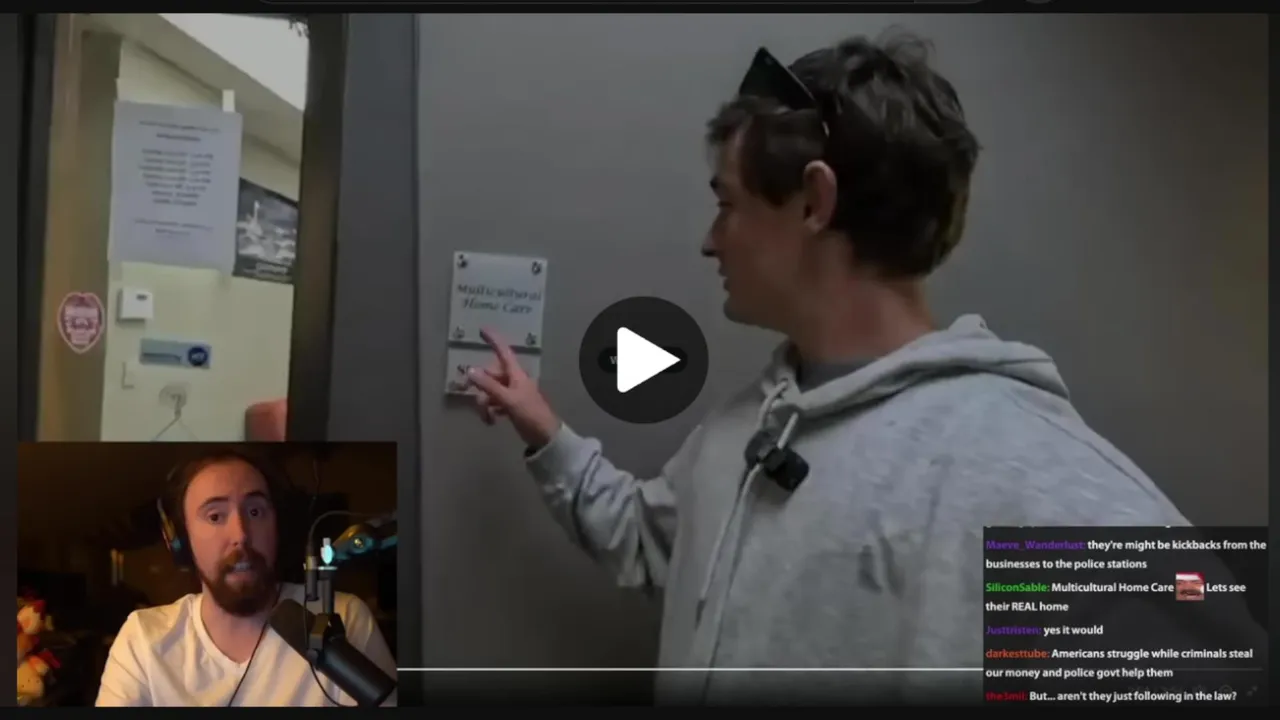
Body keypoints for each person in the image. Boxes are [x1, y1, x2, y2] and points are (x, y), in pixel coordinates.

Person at [465, 31, 1200, 704]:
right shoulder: (743, 433)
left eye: (728, 204)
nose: (710, 241)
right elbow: (653, 544)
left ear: (814, 202)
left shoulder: (1029, 484)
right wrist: (546, 433)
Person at [95, 450, 397, 707]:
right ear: (181, 541)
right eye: (215, 516)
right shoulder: (143, 640)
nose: (241, 534)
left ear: (277, 527)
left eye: (255, 512)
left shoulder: (343, 617)